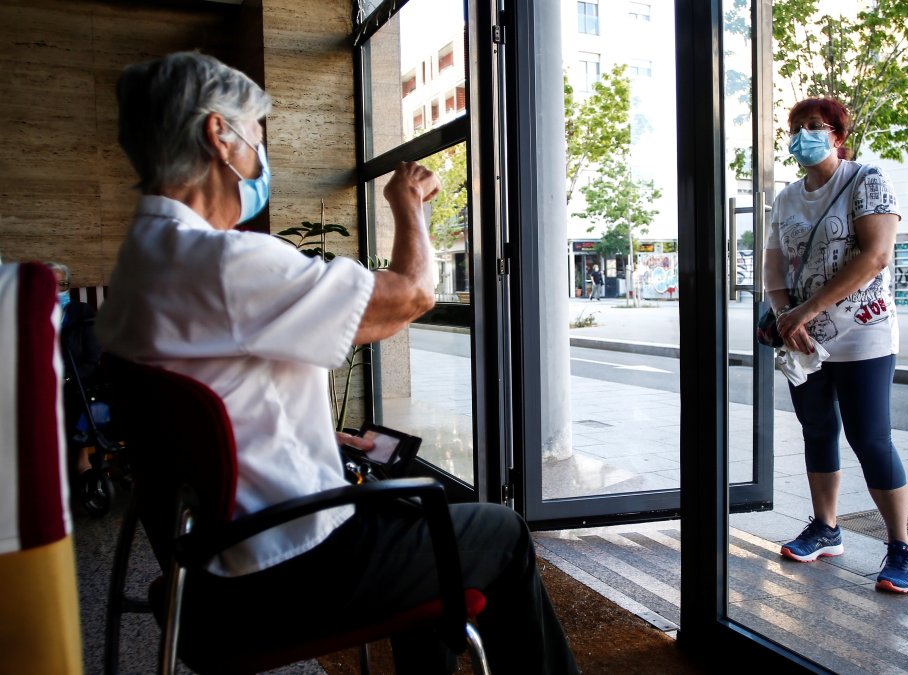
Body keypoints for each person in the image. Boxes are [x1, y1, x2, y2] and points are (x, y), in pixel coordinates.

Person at [96, 51, 579, 674]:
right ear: (220, 135)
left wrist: (315, 438)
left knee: (414, 520)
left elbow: (216, 405)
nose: (261, 157)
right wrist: (409, 205)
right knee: (503, 532)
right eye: (258, 137)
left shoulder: (138, 263)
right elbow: (411, 295)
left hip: (208, 561)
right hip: (287, 569)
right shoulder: (222, 262)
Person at [766, 97, 908, 594]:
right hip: (803, 337)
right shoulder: (786, 198)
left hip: (862, 332)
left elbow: (875, 256)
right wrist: (786, 315)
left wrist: (805, 311)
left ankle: (902, 546)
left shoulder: (866, 179)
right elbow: (774, 266)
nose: (803, 134)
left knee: (870, 437)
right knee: (817, 430)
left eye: (815, 125)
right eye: (796, 127)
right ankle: (826, 528)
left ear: (837, 135)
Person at [46, 261, 104, 474]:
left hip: (77, 376)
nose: (57, 290)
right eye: (50, 284)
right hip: (43, 377)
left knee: (78, 394)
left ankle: (82, 455)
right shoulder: (31, 315)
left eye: (62, 284)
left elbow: (92, 357)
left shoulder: (81, 312)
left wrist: (68, 377)